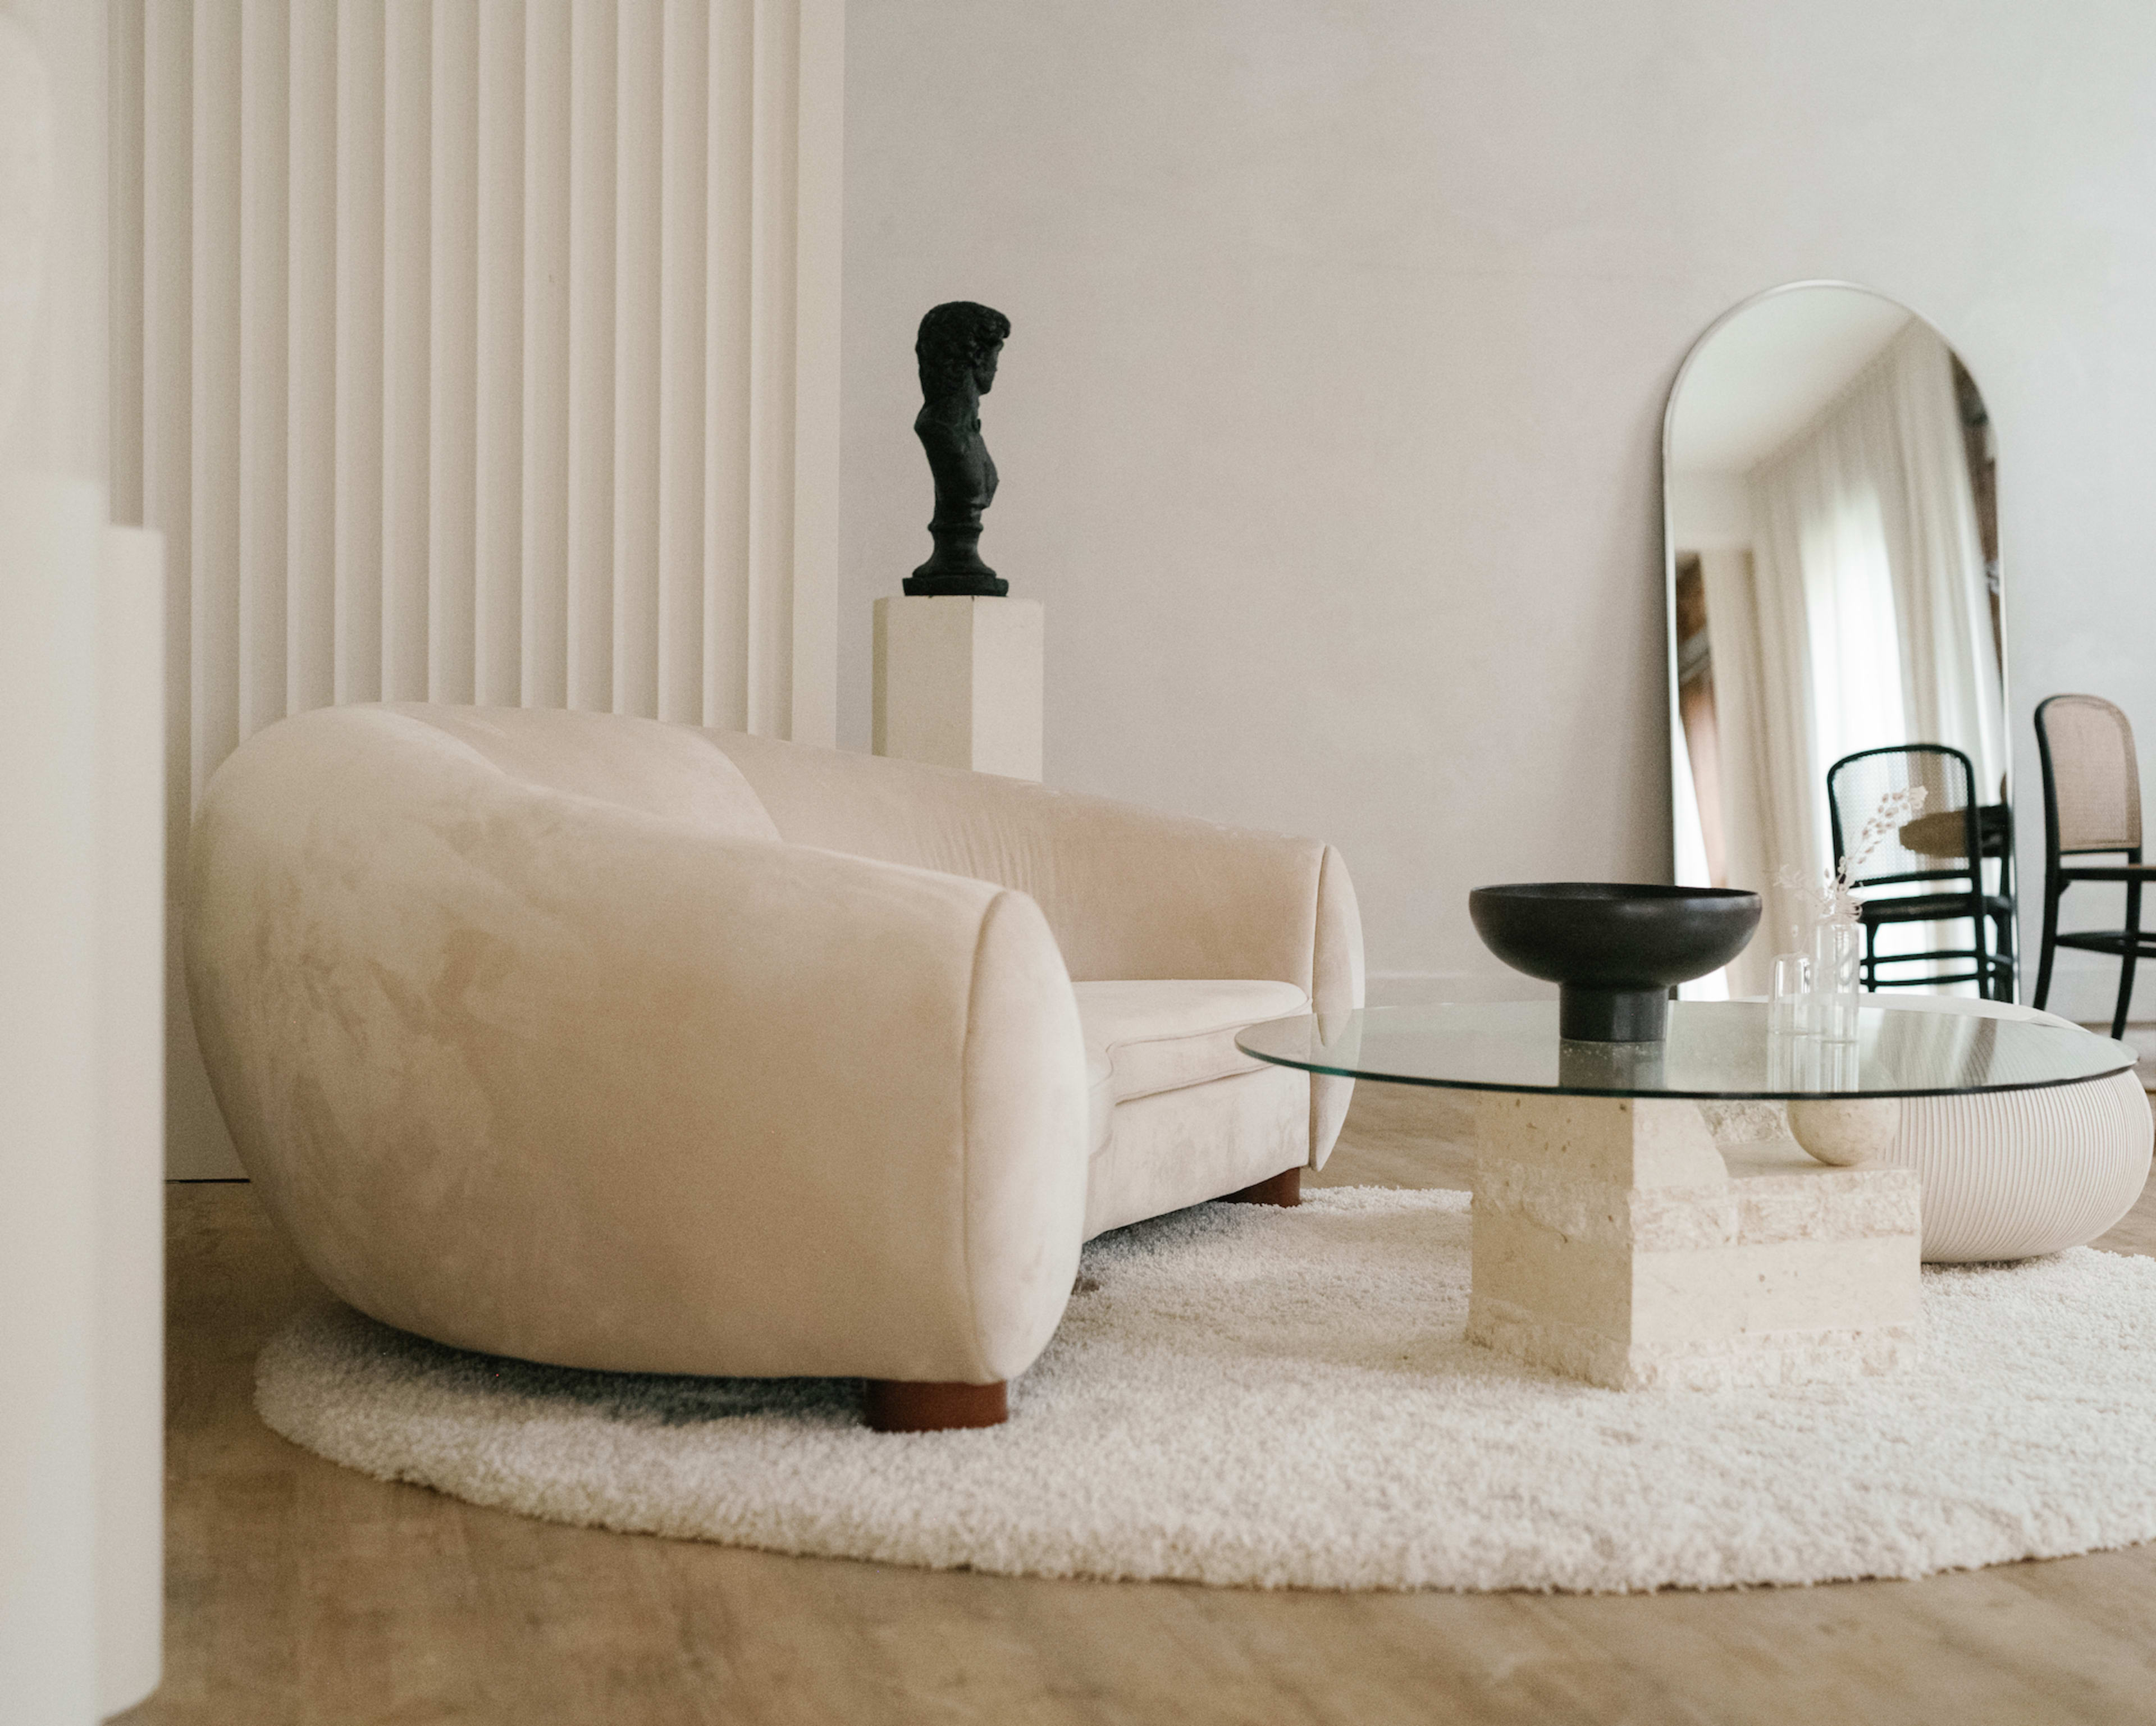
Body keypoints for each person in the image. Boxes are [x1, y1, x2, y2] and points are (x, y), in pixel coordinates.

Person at [906, 301, 1012, 596]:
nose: (997, 367)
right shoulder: (940, 430)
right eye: (996, 354)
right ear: (976, 356)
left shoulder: (966, 431)